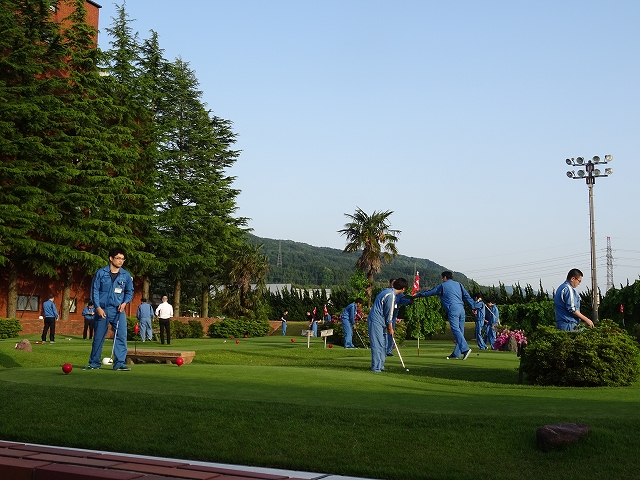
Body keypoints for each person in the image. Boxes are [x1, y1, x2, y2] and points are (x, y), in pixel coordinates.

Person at [84, 247, 134, 371]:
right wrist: (97, 307)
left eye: (123, 259)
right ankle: (94, 363)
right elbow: (95, 291)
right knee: (99, 337)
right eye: (118, 258)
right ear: (111, 258)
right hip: (102, 310)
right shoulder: (101, 273)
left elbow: (130, 291)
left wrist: (125, 303)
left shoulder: (126, 275)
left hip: (118, 311)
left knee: (121, 336)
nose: (120, 261)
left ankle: (119, 363)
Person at [414, 271, 477, 360]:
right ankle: (456, 354)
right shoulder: (459, 284)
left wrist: (418, 295)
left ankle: (465, 349)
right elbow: (467, 296)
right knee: (460, 331)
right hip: (461, 309)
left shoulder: (443, 286)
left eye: (442, 278)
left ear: (444, 278)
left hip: (453, 309)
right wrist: (473, 307)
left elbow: (430, 292)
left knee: (456, 330)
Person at [368, 278, 408, 372]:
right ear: (403, 288)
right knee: (378, 344)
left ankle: (380, 366)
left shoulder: (387, 291)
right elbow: (389, 313)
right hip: (376, 320)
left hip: (381, 321)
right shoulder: (391, 295)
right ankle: (376, 367)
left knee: (383, 344)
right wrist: (390, 328)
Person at [386, 278, 411, 356]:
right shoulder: (387, 292)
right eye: (393, 283)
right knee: (383, 333)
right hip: (384, 316)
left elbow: (405, 301)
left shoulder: (400, 295)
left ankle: (389, 350)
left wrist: (411, 300)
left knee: (391, 333)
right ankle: (382, 349)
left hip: (393, 317)